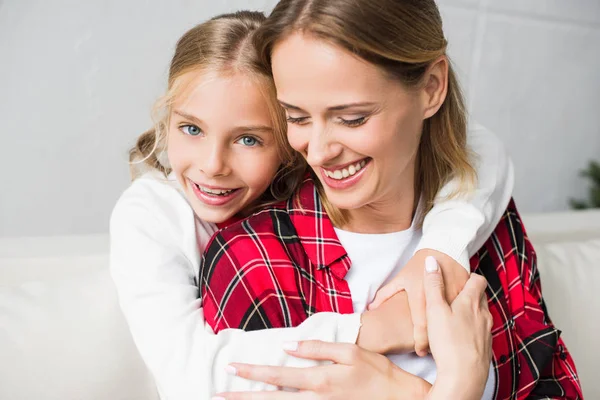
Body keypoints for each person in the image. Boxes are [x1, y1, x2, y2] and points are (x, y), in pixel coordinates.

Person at [110, 9, 514, 400]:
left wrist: (441, 248)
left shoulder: (312, 175)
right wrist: (374, 330)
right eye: (191, 128)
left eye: (249, 139)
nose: (212, 166)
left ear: (285, 143)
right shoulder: (153, 215)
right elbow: (192, 377)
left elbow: (478, 146)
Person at [199, 1, 582, 399]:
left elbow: (556, 388)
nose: (317, 152)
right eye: (296, 117)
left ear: (431, 87)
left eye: (352, 118)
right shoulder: (251, 260)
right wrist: (452, 390)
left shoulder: (486, 223)